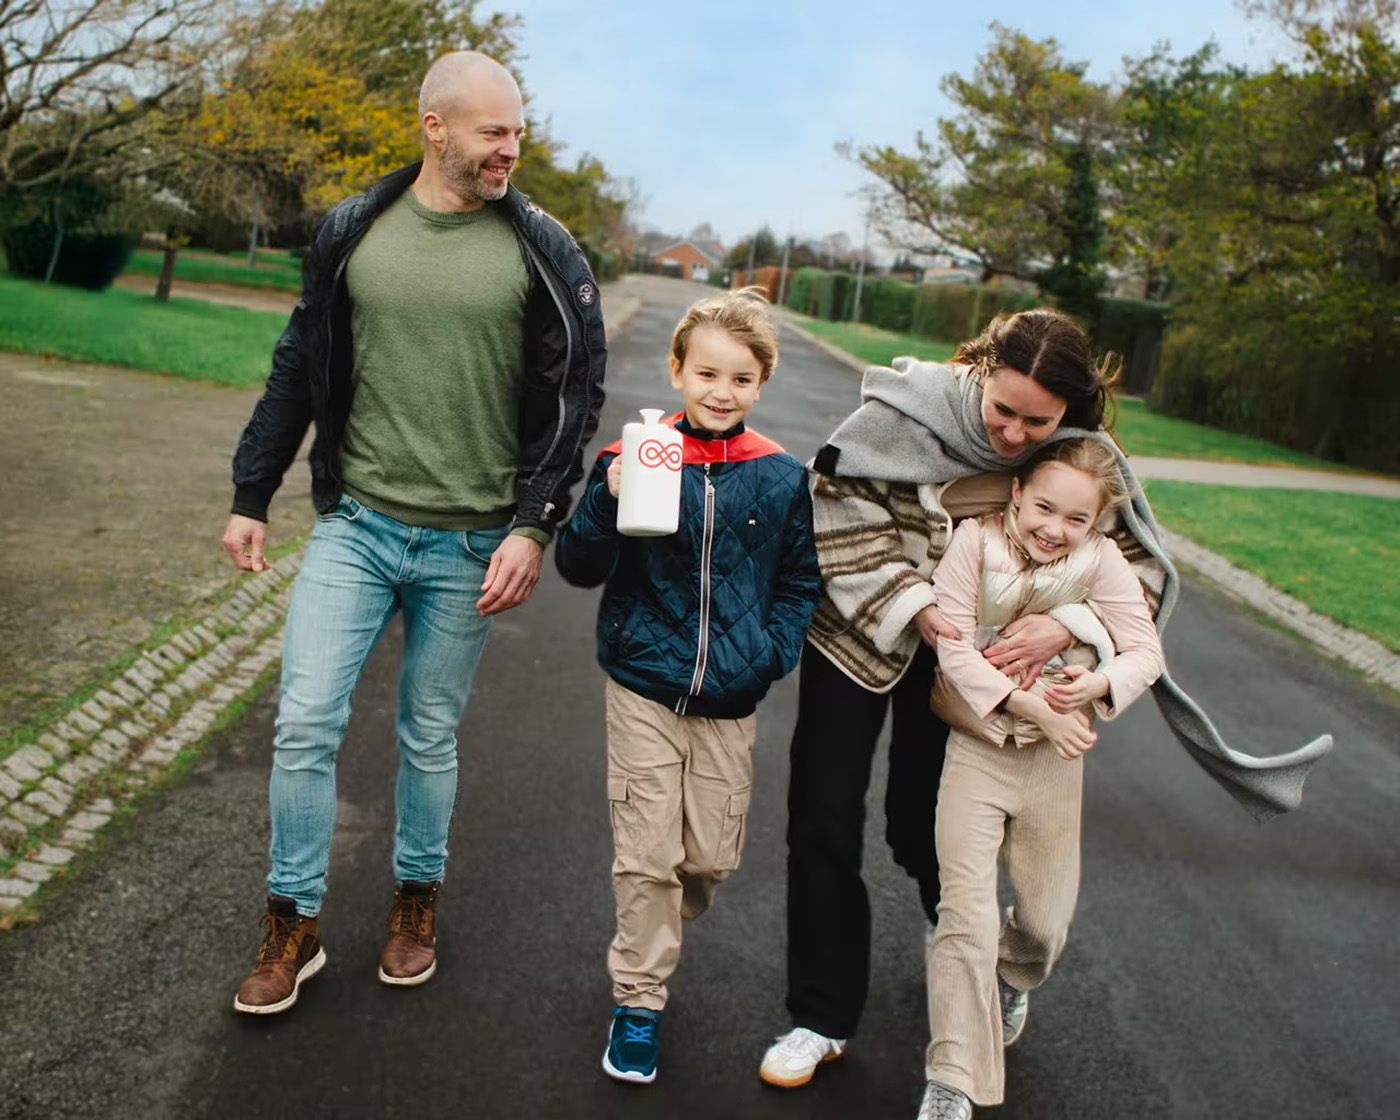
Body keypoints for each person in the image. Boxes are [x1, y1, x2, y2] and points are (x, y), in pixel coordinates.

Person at [760, 311, 1329, 1088]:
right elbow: (840, 512)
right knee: (822, 816)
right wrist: (921, 609)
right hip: (862, 637)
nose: (1015, 435)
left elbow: (1138, 567)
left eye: (1040, 421)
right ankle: (819, 1017)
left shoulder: (1083, 458)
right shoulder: (901, 413)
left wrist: (1063, 626)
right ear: (982, 370)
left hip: (977, 666)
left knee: (922, 825)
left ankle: (978, 961)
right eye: (1004, 410)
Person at [222, 51, 606, 1015]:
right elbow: (297, 364)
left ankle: (414, 903)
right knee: (306, 720)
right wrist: (250, 491)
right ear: (434, 128)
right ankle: (293, 924)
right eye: (492, 132)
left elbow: (575, 395)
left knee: (428, 733)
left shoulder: (544, 247)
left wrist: (532, 525)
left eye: (517, 131)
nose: (510, 149)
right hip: (358, 523)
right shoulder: (356, 230)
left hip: (472, 542)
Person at [555, 288, 821, 1084]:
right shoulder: (632, 458)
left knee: (705, 860)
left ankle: (657, 925)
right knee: (646, 857)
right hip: (644, 683)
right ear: (676, 371)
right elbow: (579, 566)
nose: (721, 391)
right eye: (707, 373)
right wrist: (604, 497)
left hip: (730, 701)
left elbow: (800, 580)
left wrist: (769, 654)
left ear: (760, 385)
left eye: (740, 379)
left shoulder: (776, 477)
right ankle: (639, 1004)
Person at [915, 438, 1165, 1120]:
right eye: (1044, 508)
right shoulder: (974, 540)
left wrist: (1098, 682)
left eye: (1075, 519)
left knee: (1047, 923)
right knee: (962, 918)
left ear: (1096, 523)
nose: (1054, 529)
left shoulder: (1102, 560)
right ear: (1017, 492)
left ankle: (1011, 972)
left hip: (1056, 762)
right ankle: (952, 1080)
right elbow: (954, 648)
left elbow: (1146, 652)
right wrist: (1027, 707)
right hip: (979, 749)